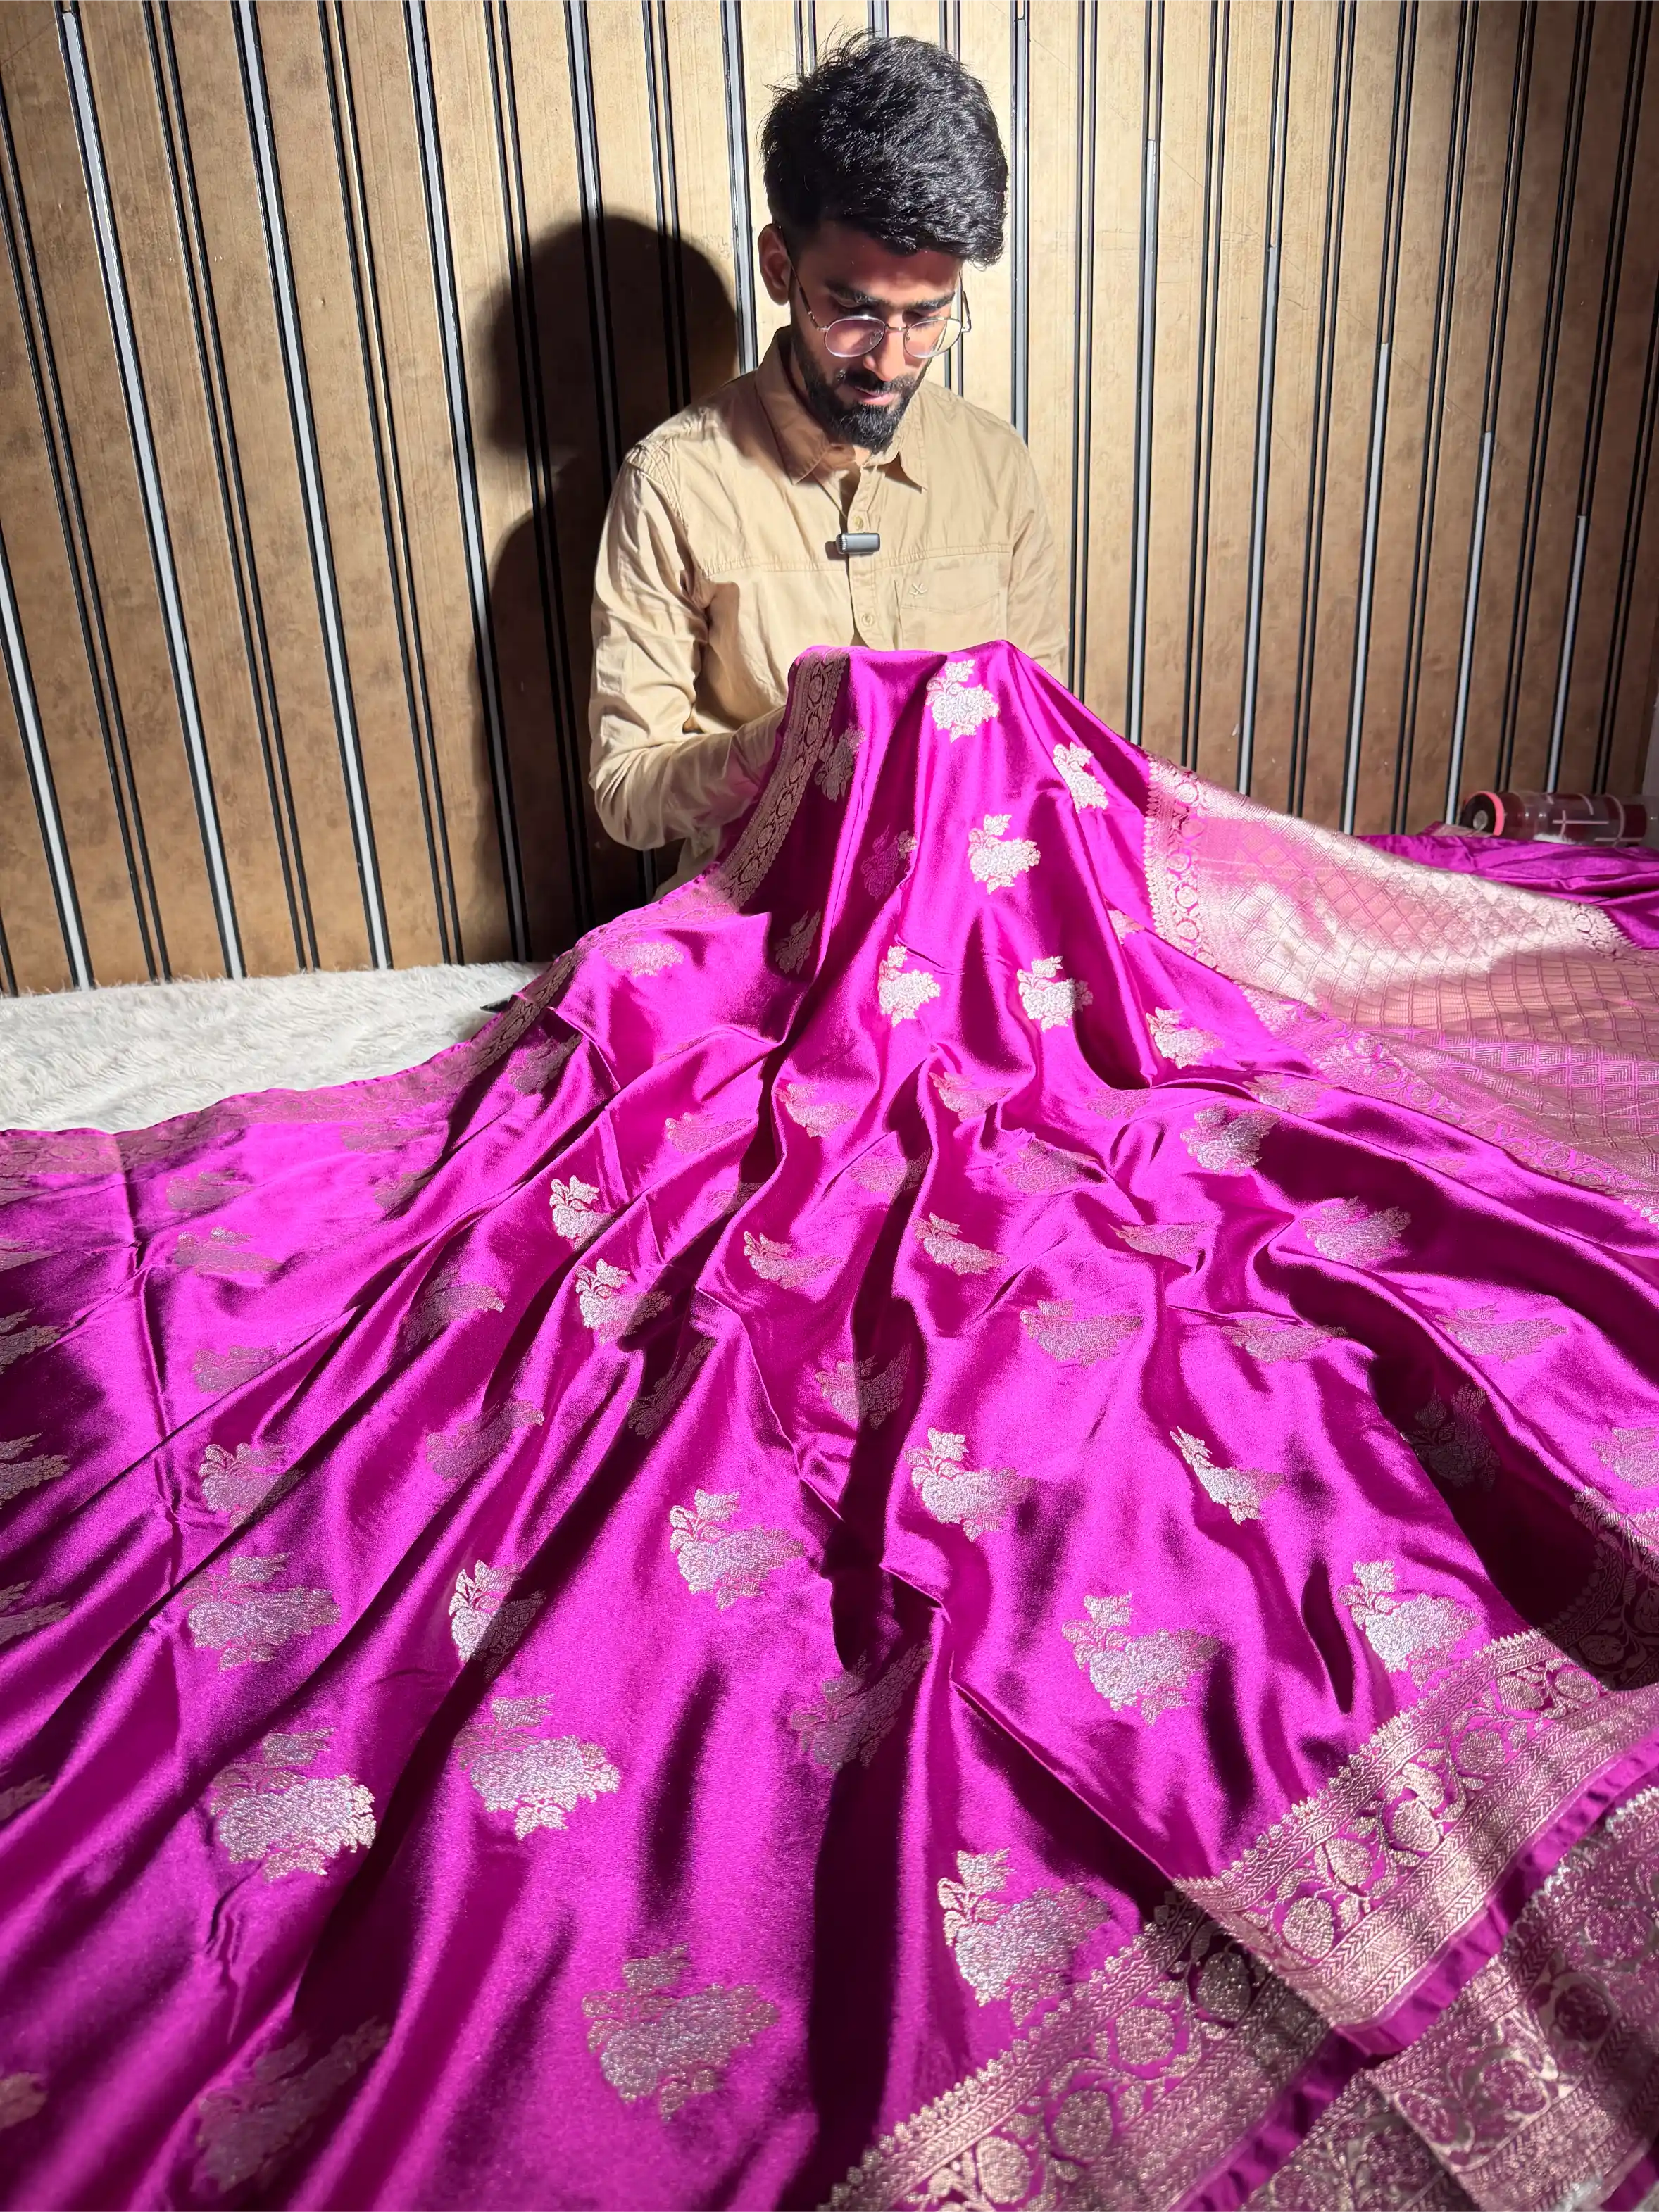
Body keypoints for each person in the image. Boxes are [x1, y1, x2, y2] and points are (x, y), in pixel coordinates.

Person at [589, 33, 1066, 888]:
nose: (890, 361)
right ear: (780, 267)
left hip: (965, 913)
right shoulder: (670, 484)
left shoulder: (996, 468)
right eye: (854, 314)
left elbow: (1044, 746)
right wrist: (783, 745)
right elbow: (626, 793)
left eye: (927, 317)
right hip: (763, 921)